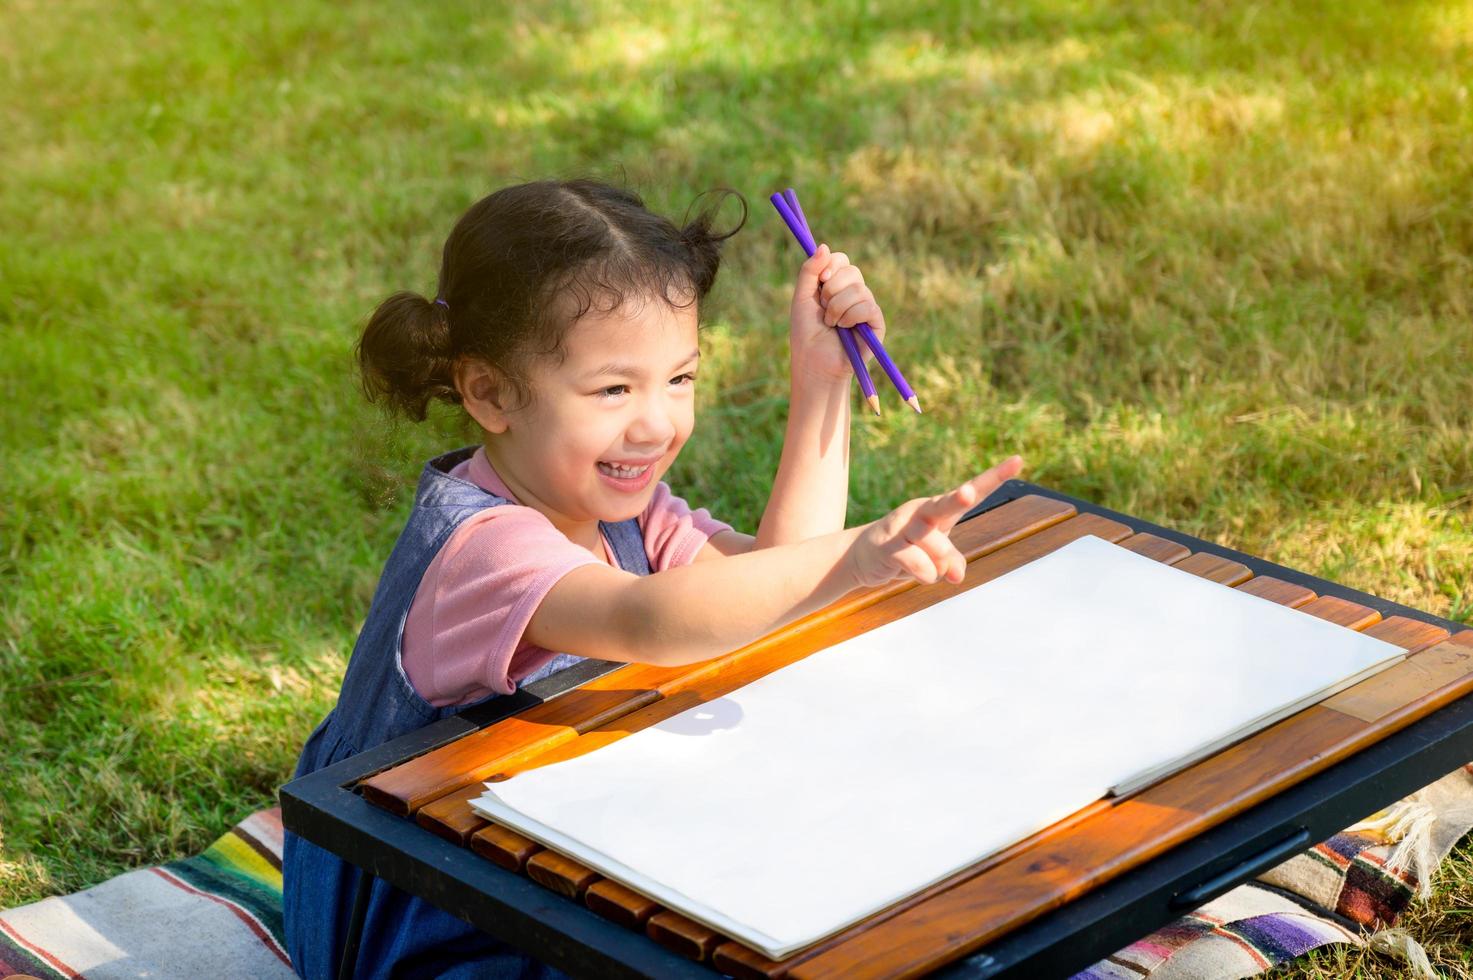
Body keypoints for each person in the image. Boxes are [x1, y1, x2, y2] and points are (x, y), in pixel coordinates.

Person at [282, 177, 1024, 979]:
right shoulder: (482, 547)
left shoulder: (625, 513)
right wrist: (854, 555)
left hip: (552, 856)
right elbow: (650, 620)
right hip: (434, 917)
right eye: (613, 389)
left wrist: (821, 380)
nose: (657, 422)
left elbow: (776, 598)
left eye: (680, 378)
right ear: (488, 392)